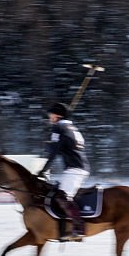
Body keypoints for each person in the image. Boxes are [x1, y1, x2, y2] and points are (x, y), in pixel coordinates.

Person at [37, 102, 90, 240]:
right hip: (78, 167)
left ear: (58, 115)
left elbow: (54, 153)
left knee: (62, 197)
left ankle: (79, 228)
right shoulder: (71, 127)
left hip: (74, 169)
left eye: (51, 114)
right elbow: (66, 146)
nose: (50, 117)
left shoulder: (58, 127)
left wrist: (43, 170)